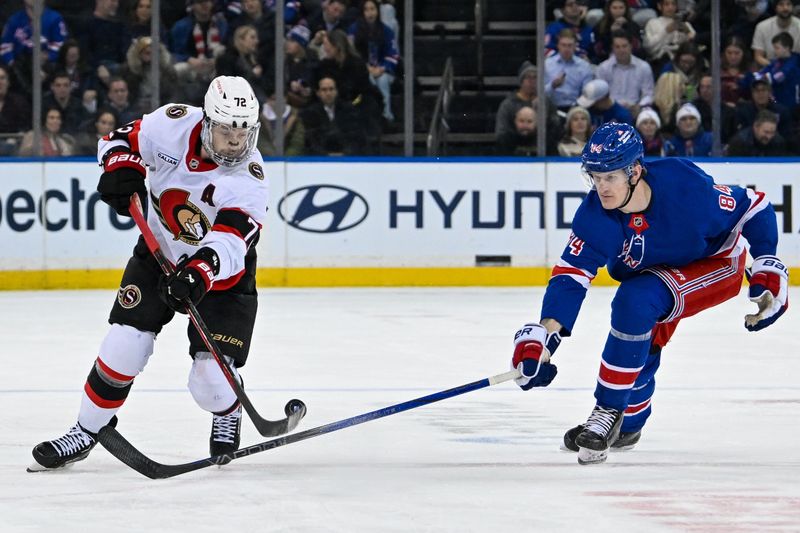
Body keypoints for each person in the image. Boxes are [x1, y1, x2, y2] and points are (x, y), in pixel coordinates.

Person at [510, 122, 788, 465]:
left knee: (635, 301)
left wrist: (767, 261)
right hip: (658, 272)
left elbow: (755, 206)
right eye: (594, 177)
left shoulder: (683, 186)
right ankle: (629, 425)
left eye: (610, 177)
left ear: (635, 171)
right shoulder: (595, 216)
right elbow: (570, 276)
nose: (601, 187)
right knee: (640, 346)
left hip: (714, 263)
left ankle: (608, 409)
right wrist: (543, 339)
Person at [28, 76, 268, 471]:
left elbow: (230, 242)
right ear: (207, 121)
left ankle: (227, 407)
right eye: (225, 131)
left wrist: (197, 273)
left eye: (242, 134)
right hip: (158, 255)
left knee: (208, 382)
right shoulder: (170, 124)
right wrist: (119, 168)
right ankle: (85, 430)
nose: (234, 143)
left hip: (221, 280)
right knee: (124, 344)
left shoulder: (250, 179)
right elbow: (117, 139)